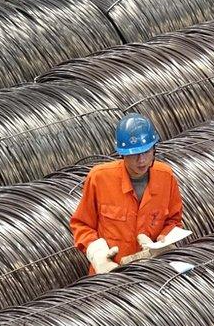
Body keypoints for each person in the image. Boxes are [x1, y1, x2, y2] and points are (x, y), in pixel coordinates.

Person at [70, 113, 184, 275]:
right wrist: (98, 255)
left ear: (154, 149)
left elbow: (174, 219)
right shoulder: (100, 178)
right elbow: (81, 224)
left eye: (146, 151)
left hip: (151, 271)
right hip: (110, 273)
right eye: (134, 154)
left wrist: (163, 240)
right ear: (122, 154)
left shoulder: (166, 177)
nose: (141, 160)